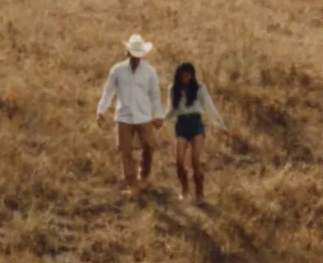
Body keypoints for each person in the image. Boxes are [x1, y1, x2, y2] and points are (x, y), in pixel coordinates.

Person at [95, 34, 165, 196]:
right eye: (134, 54)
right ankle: (132, 183)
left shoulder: (149, 72)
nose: (136, 58)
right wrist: (101, 110)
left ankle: (144, 175)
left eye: (139, 55)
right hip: (124, 116)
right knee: (125, 150)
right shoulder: (117, 70)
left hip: (143, 115)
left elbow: (155, 94)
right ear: (128, 52)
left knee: (149, 145)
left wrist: (159, 115)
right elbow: (108, 92)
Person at [165, 61, 228, 205]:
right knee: (179, 161)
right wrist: (160, 121)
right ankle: (184, 188)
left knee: (195, 161)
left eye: (189, 76)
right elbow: (171, 110)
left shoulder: (199, 88)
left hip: (196, 124)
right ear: (179, 75)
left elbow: (210, 108)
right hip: (181, 124)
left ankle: (199, 192)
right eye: (184, 75)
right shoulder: (173, 88)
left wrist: (221, 126)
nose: (186, 78)